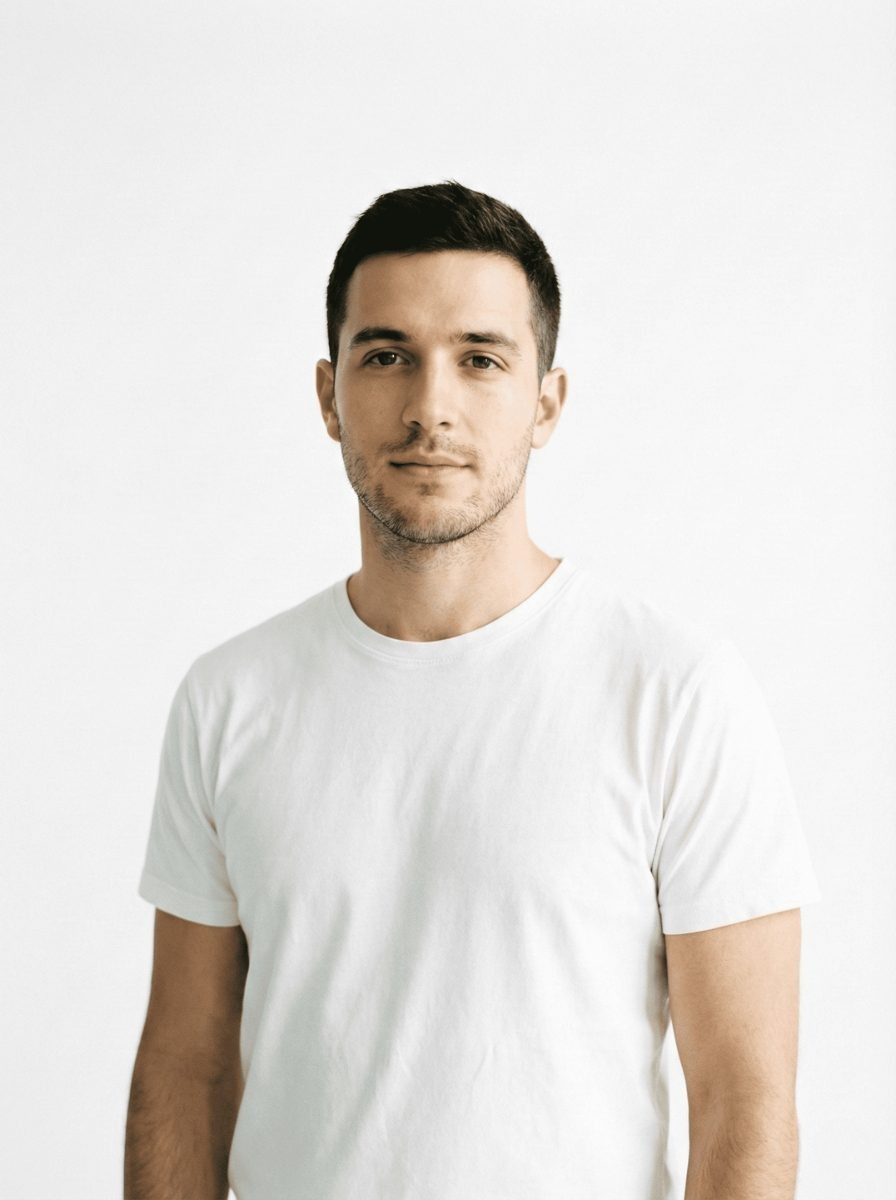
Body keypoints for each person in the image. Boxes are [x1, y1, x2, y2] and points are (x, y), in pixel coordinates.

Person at [124, 180, 821, 1200]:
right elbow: (185, 1071)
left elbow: (745, 1102)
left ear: (545, 401)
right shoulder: (232, 699)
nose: (429, 408)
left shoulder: (674, 693)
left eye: (479, 359)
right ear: (328, 395)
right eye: (386, 355)